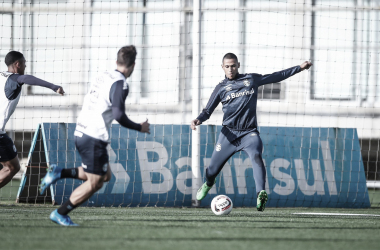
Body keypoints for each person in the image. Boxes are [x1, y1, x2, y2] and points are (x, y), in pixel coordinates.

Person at [40, 45, 150, 226]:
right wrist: (139, 127)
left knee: (105, 175)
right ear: (133, 65)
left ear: (117, 61)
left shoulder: (104, 75)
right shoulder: (121, 83)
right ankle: (60, 213)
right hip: (94, 137)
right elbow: (119, 115)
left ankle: (59, 171)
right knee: (95, 182)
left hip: (82, 130)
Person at [191, 53, 312, 211]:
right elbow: (208, 111)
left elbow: (276, 77)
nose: (230, 69)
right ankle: (208, 183)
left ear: (238, 65)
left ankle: (260, 193)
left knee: (256, 155)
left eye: (233, 65)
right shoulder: (221, 88)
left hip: (249, 133)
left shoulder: (250, 80)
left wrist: (299, 68)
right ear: (222, 67)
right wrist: (198, 119)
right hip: (229, 135)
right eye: (227, 66)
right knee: (212, 170)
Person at [0, 51, 64, 189]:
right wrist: (54, 87)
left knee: (12, 166)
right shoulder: (13, 79)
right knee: (11, 168)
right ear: (17, 64)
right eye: (24, 63)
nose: (25, 66)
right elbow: (26, 78)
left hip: (1, 133)